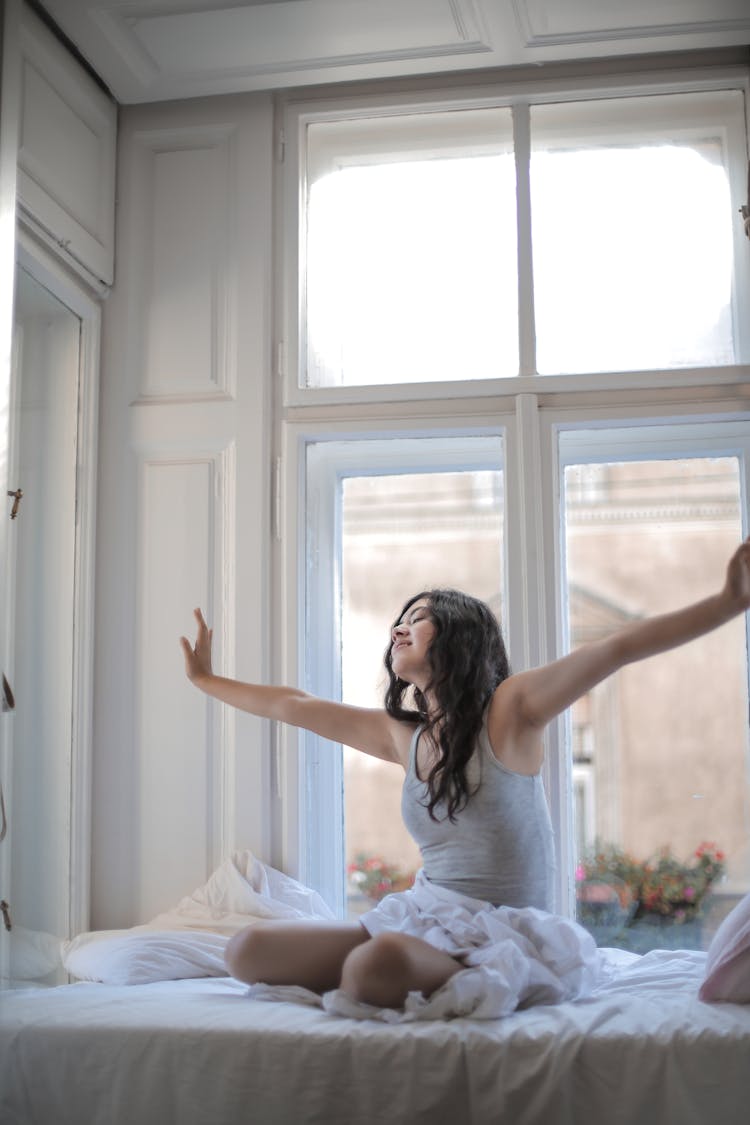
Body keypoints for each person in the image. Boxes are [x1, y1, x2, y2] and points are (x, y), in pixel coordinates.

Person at [181, 537, 750, 1011]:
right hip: (425, 915)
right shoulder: (404, 737)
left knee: (374, 967)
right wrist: (207, 682)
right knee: (248, 950)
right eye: (398, 622)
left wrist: (728, 601)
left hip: (502, 933)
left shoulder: (510, 712)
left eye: (418, 619)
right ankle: (390, 970)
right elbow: (294, 705)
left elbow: (616, 647)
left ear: (459, 635)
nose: (399, 630)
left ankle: (401, 973)